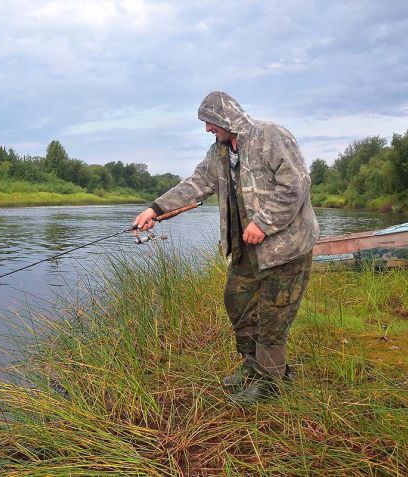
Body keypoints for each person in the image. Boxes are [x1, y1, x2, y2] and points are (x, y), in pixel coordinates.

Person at [133, 91, 319, 405]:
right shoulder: (218, 152)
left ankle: (272, 382)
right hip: (246, 249)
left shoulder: (272, 136)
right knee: (237, 301)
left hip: (286, 248)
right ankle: (253, 367)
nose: (207, 129)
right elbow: (196, 184)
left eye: (210, 122)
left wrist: (263, 223)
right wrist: (156, 210)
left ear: (226, 118)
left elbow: (296, 184)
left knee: (274, 316)